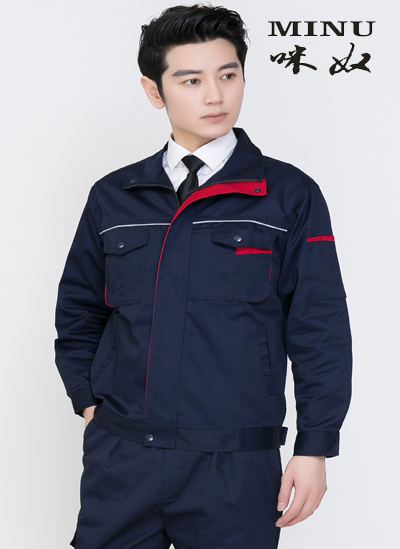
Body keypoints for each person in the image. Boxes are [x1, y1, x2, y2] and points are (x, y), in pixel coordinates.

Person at [54, 4, 352, 549]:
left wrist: (315, 446)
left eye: (228, 75)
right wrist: (88, 401)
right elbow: (79, 310)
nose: (215, 95)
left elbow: (320, 326)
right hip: (123, 458)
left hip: (235, 464)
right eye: (191, 80)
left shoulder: (288, 195)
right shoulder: (114, 197)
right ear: (155, 90)